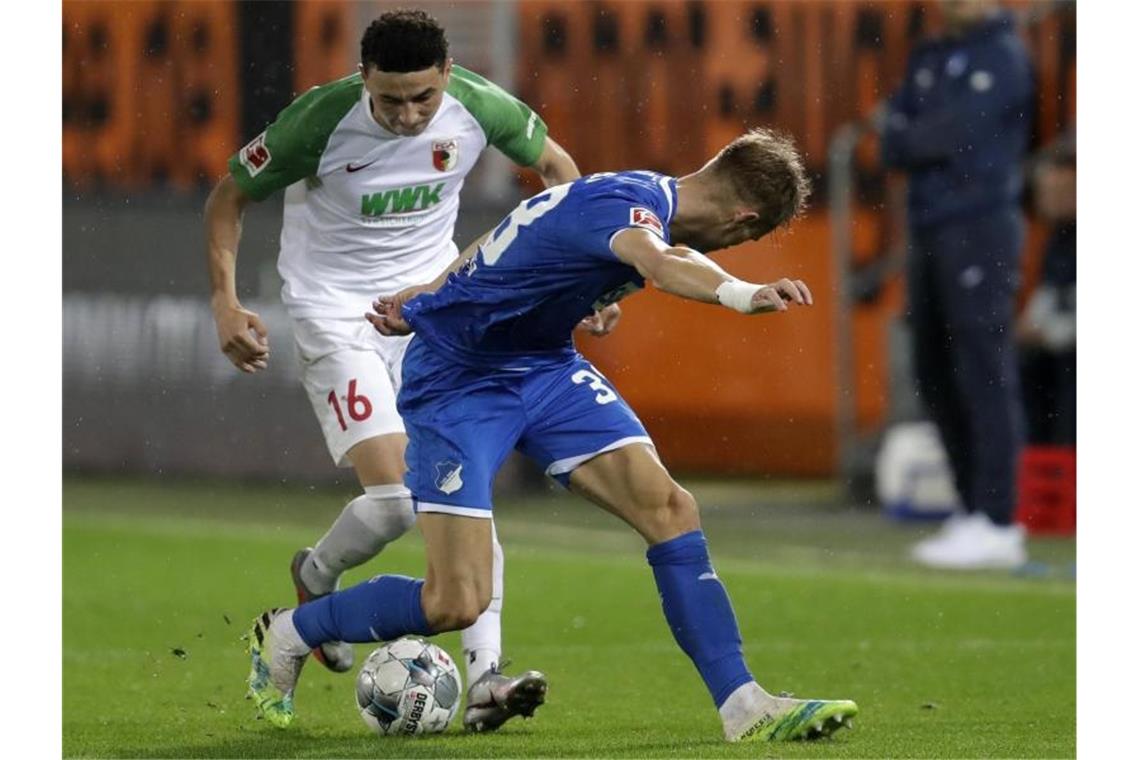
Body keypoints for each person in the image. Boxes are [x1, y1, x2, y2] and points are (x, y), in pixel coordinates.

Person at [245, 128, 859, 741]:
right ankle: (291, 633)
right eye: (745, 239)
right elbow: (664, 262)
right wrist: (744, 293)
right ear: (743, 218)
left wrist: (435, 291)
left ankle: (742, 704)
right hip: (459, 381)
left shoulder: (633, 199)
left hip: (545, 369)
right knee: (455, 602)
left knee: (671, 508)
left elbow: (509, 233)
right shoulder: (629, 213)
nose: (734, 247)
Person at [205, 9, 598, 731]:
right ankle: (315, 581)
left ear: (447, 77)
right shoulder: (317, 122)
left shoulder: (479, 105)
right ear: (364, 82)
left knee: (462, 492)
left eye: (423, 98)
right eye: (390, 101)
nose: (409, 115)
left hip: (433, 310)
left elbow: (560, 173)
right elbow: (230, 196)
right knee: (395, 502)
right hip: (336, 315)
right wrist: (227, 304)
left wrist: (585, 278)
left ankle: (488, 677)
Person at [879, 0, 1034, 570]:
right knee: (934, 366)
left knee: (984, 368)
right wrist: (922, 134)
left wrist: (921, 133)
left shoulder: (1006, 55)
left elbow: (950, 137)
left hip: (980, 227)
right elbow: (894, 141)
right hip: (927, 225)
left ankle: (999, 519)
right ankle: (970, 508)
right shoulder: (931, 54)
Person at [1017, 138, 1076, 446]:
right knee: (1022, 363)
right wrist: (1030, 325)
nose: (1050, 200)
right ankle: (1039, 461)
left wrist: (1049, 333)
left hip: (1071, 346)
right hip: (1060, 342)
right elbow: (1050, 290)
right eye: (1047, 193)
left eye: (1060, 192)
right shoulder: (1056, 238)